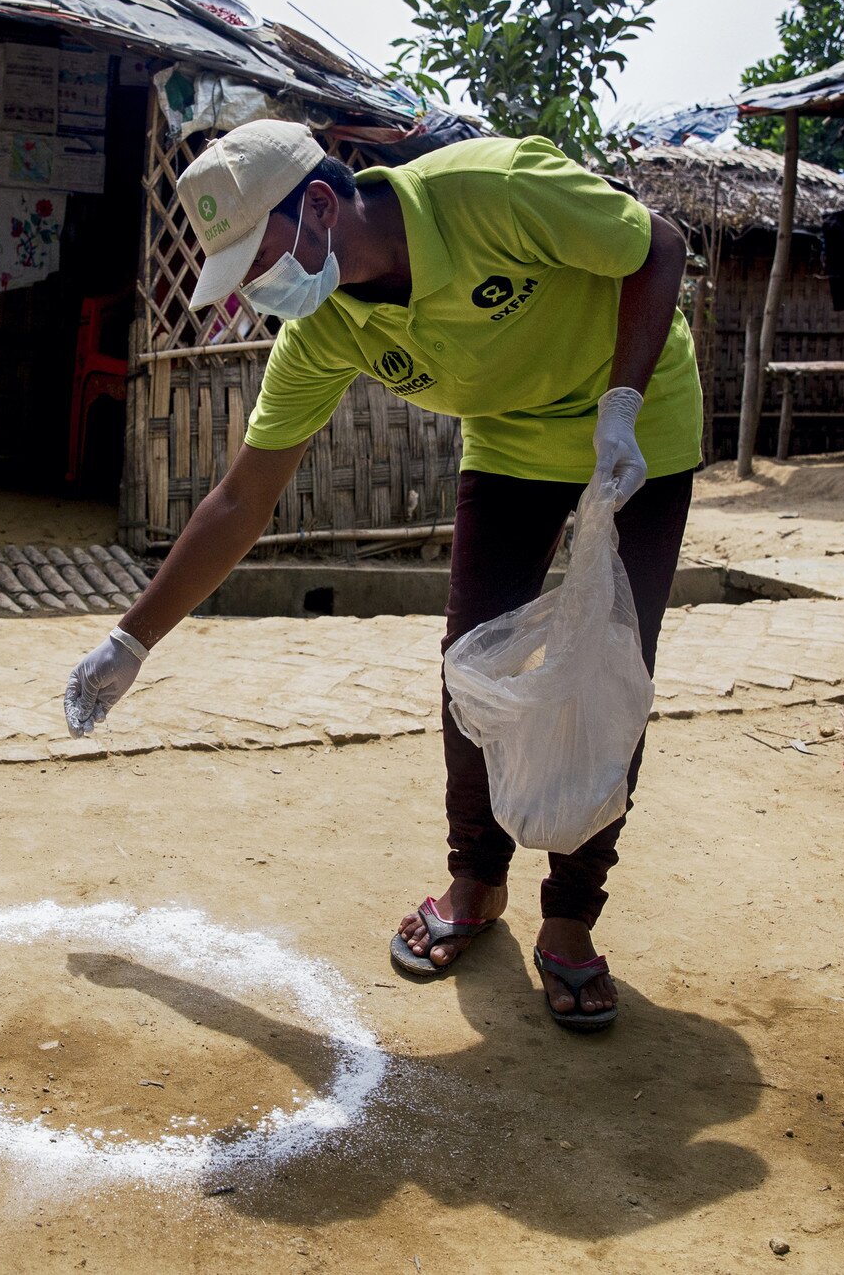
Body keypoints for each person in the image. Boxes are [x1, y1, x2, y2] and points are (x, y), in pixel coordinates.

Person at [63, 119, 701, 1031]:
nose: (252, 287)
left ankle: (571, 916)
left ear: (320, 203)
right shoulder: (322, 328)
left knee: (611, 665)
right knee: (468, 662)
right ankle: (474, 885)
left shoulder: (496, 189)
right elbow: (242, 501)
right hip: (515, 444)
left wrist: (624, 405)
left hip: (640, 427)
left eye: (257, 255)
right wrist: (130, 641)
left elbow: (658, 248)